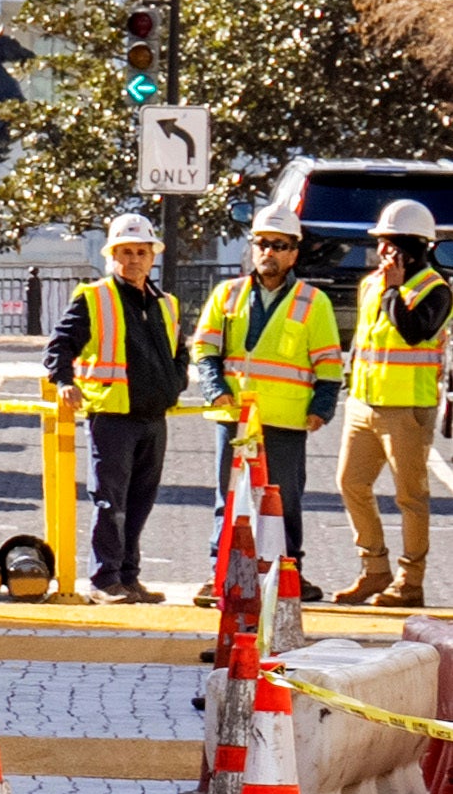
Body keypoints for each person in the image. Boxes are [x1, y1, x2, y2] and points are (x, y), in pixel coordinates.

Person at [193, 202, 345, 577]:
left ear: (293, 253)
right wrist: (214, 387)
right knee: (230, 499)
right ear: (252, 247)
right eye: (262, 243)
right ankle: (221, 576)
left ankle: (288, 575)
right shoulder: (227, 294)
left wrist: (322, 407)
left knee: (283, 502)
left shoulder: (314, 302)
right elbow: (205, 347)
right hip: (235, 418)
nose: (269, 252)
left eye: (279, 245)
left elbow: (329, 365)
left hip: (286, 420)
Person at [47, 212, 192, 603]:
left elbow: (181, 351)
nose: (134, 260)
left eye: (141, 252)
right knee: (111, 501)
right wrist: (64, 381)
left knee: (140, 502)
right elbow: (60, 344)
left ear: (152, 257)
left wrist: (175, 382)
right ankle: (104, 579)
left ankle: (128, 578)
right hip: (112, 417)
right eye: (126, 252)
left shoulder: (167, 304)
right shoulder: (94, 298)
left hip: (152, 416)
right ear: (112, 256)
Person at [339, 196, 452, 606]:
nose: (382, 250)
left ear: (414, 248)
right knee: (350, 483)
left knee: (410, 497)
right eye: (381, 242)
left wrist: (392, 290)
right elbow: (364, 340)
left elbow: (413, 331)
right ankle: (375, 570)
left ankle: (410, 581)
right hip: (364, 403)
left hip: (407, 409)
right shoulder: (371, 283)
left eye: (390, 243)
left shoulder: (436, 290)